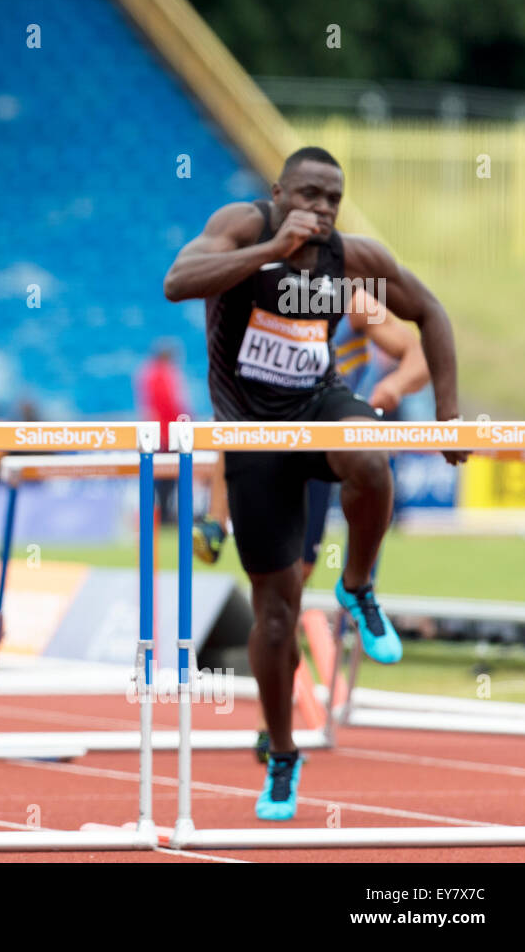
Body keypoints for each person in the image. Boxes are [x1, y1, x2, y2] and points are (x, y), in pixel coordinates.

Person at [163, 146, 465, 821]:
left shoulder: (352, 259)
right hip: (251, 433)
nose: (322, 209)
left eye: (333, 198)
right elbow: (178, 281)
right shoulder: (242, 225)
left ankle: (357, 587)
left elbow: (432, 312)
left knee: (369, 458)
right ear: (279, 192)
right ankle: (281, 750)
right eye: (309, 195)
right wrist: (271, 246)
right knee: (276, 612)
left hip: (318, 407)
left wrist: (448, 415)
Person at [192, 285, 431, 761]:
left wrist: (391, 389)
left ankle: (358, 589)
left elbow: (419, 353)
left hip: (334, 452)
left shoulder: (350, 301)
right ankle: (271, 725)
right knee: (279, 601)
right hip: (273, 453)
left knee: (294, 586)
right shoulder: (260, 304)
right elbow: (234, 416)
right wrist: (217, 516)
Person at [136, 342, 190, 524]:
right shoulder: (164, 375)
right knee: (168, 477)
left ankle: (157, 515)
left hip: (158, 432)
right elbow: (172, 405)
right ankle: (164, 515)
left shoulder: (148, 373)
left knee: (159, 477)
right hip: (168, 433)